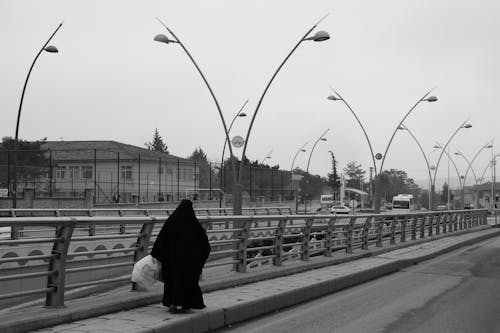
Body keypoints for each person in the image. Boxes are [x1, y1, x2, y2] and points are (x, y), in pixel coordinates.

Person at [151, 199, 211, 313]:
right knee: (188, 282)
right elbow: (205, 246)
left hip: (171, 263)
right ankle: (186, 304)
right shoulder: (194, 224)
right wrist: (199, 259)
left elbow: (160, 241)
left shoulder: (171, 222)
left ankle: (172, 303)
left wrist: (157, 255)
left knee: (172, 281)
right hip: (189, 264)